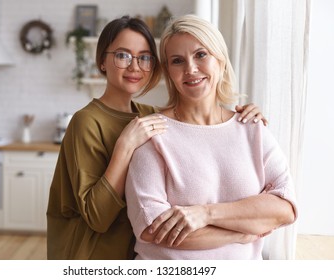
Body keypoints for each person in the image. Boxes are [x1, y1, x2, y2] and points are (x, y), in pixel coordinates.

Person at [47, 15, 267, 260]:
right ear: (102, 62)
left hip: (134, 255)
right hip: (91, 256)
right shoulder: (86, 122)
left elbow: (190, 122)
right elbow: (97, 217)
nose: (135, 67)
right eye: (122, 55)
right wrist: (125, 146)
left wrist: (243, 114)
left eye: (144, 57)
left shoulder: (150, 116)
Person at [125, 14, 297, 260]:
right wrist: (240, 234)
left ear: (221, 60)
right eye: (177, 61)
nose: (190, 69)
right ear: (169, 73)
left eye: (201, 54)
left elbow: (286, 208)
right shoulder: (153, 134)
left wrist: (205, 214)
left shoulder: (252, 128)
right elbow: (153, 228)